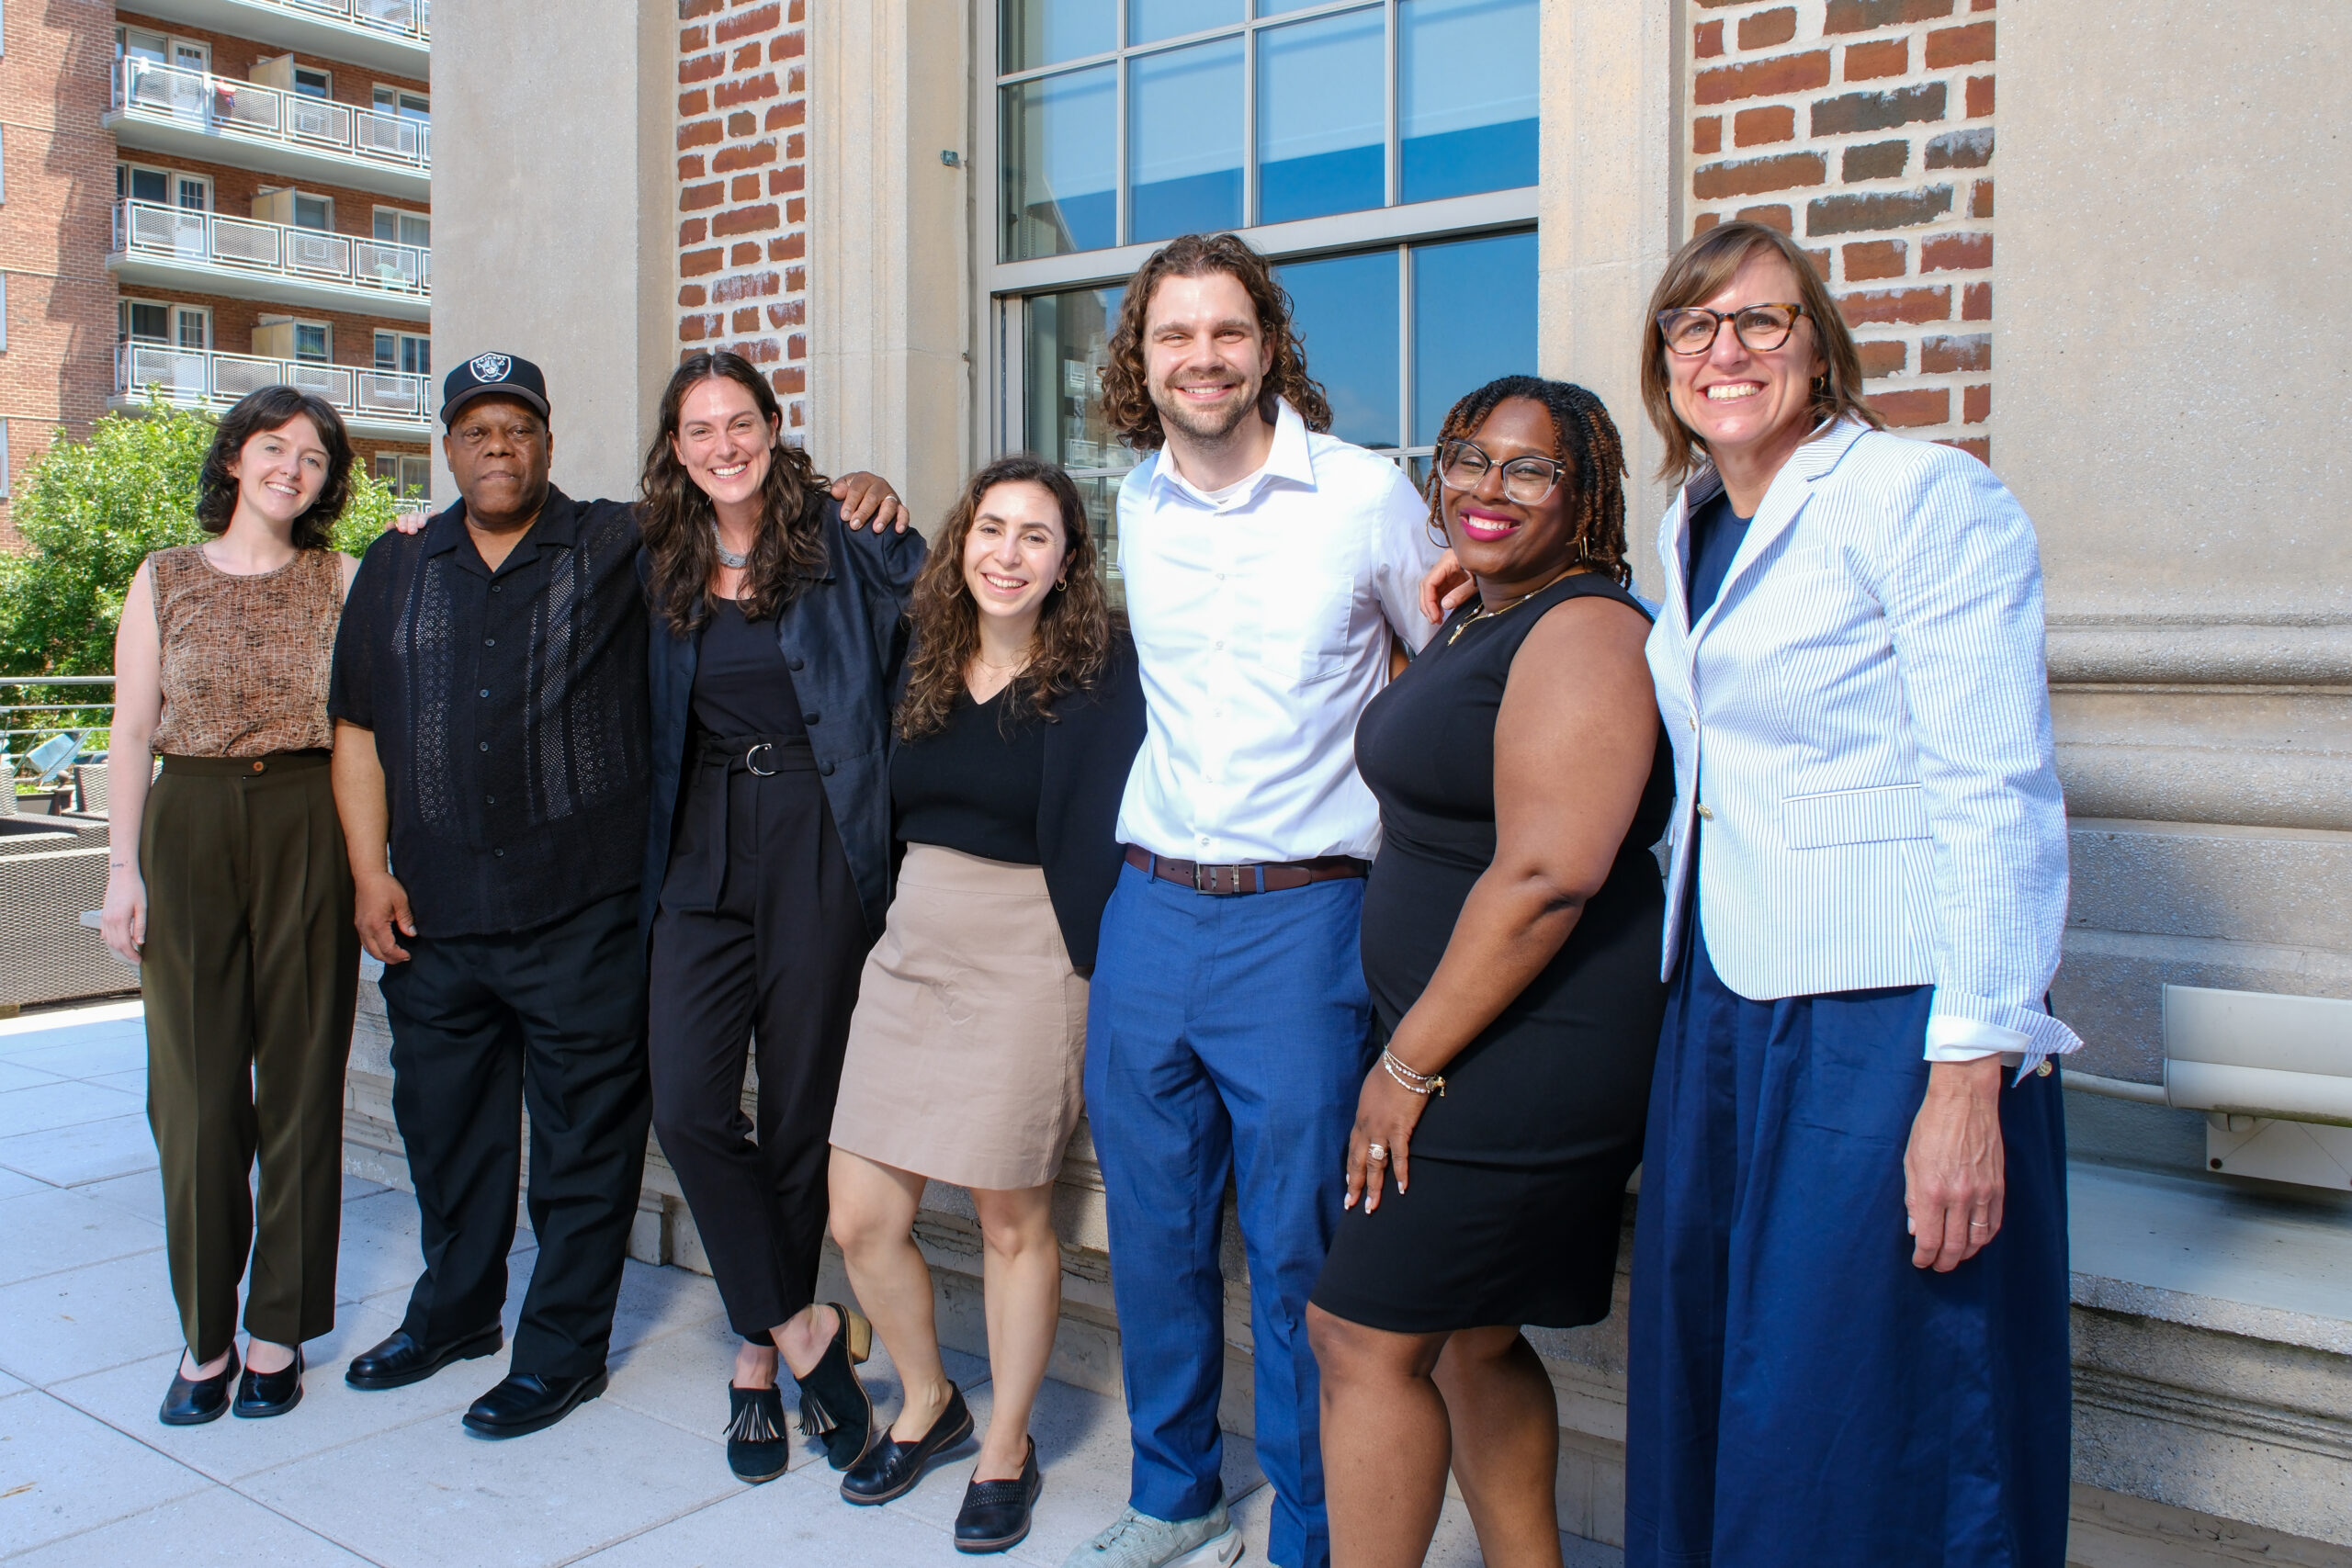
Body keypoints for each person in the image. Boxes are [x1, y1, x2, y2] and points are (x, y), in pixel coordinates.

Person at [330, 350, 906, 1440]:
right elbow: (354, 722)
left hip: (636, 890)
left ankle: (644, 1356)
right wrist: (369, 869)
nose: (499, 450)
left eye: (519, 431)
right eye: (476, 433)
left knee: (643, 1139)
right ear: (445, 447)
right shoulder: (416, 560)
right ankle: (474, 1314)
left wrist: (860, 481)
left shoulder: (621, 542)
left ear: (551, 440)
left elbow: (835, 580)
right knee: (518, 1124)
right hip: (481, 900)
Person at [1622, 220, 2078, 1566]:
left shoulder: (1922, 494)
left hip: (1886, 1016)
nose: (1727, 351)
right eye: (1695, 327)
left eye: (1762, 321)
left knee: (1862, 1391)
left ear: (1819, 344)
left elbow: (1996, 788)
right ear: (1665, 364)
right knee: (1725, 1369)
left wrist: (1967, 1072)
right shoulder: (1689, 518)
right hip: (1722, 993)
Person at [1062, 233, 1442, 1568]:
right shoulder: (1138, 503)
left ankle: (1315, 1529)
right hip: (1152, 909)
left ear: (1267, 344)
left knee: (1297, 1251)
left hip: (1305, 918)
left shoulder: (1363, 493)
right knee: (1155, 1232)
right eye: (1175, 336)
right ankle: (1174, 1494)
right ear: (1142, 358)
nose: (1203, 357)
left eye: (1227, 332)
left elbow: (1448, 669)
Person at [1308, 377, 1672, 1568]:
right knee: (1468, 1334)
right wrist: (1463, 605)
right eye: (1470, 457)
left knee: (1360, 1336)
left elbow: (1547, 876)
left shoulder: (1587, 628)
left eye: (1530, 469)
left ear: (1589, 493)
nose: (1488, 487)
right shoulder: (1491, 614)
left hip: (1517, 1048)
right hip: (1465, 1034)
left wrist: (1407, 1063)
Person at [827, 455, 1145, 1552]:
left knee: (1013, 1222)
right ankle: (927, 1400)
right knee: (860, 1216)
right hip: (913, 940)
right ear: (960, 540)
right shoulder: (917, 650)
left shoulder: (1104, 669)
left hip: (1032, 949)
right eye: (991, 530)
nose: (1007, 555)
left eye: (1036, 538)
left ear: (1067, 563)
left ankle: (1005, 1443)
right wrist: (856, 483)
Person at [636, 349, 923, 1484]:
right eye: (698, 430)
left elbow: (944, 642)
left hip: (821, 827)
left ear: (771, 424)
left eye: (739, 423)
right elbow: (532, 532)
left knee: (802, 1109)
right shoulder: (651, 551)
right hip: (700, 839)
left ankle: (756, 1363)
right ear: (674, 446)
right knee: (691, 1100)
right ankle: (803, 1326)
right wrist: (421, 530)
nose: (722, 447)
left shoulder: (850, 536)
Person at [101, 386, 363, 1426]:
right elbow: (129, 731)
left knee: (301, 1084)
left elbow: (367, 728)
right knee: (196, 1097)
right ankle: (203, 1335)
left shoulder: (342, 578)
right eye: (273, 447)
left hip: (309, 812)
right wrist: (124, 871)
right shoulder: (163, 577)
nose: (290, 468)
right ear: (234, 460)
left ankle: (277, 1332)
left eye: (312, 457)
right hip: (192, 818)